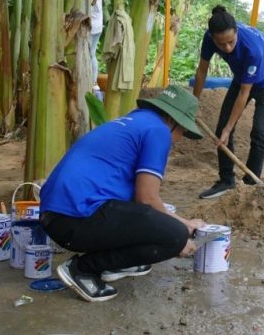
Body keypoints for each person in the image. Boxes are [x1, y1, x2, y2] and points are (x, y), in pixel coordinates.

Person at [39, 85, 206, 302]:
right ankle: (83, 269)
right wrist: (181, 232)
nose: (180, 138)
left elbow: (138, 201)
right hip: (74, 219)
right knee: (174, 236)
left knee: (163, 223)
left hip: (57, 216)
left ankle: (117, 264)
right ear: (174, 122)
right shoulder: (159, 131)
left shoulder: (135, 122)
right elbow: (147, 199)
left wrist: (184, 222)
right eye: (183, 132)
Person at [193, 5, 264, 199]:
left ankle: (250, 185)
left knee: (259, 131)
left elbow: (244, 93)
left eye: (231, 42)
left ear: (237, 33)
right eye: (221, 44)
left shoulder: (252, 49)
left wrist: (229, 128)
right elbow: (202, 70)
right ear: (212, 37)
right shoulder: (209, 38)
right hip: (242, 77)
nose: (227, 48)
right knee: (221, 128)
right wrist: (194, 102)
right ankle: (226, 181)